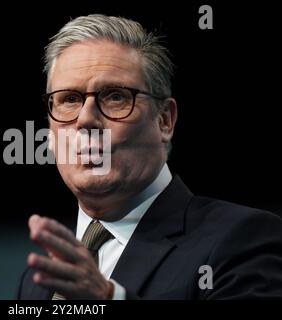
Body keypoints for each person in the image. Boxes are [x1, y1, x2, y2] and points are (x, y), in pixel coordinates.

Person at [17, 14, 282, 299]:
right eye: (69, 99)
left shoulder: (241, 239)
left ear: (164, 120)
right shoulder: (38, 281)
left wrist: (109, 299)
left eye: (115, 96)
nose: (86, 120)